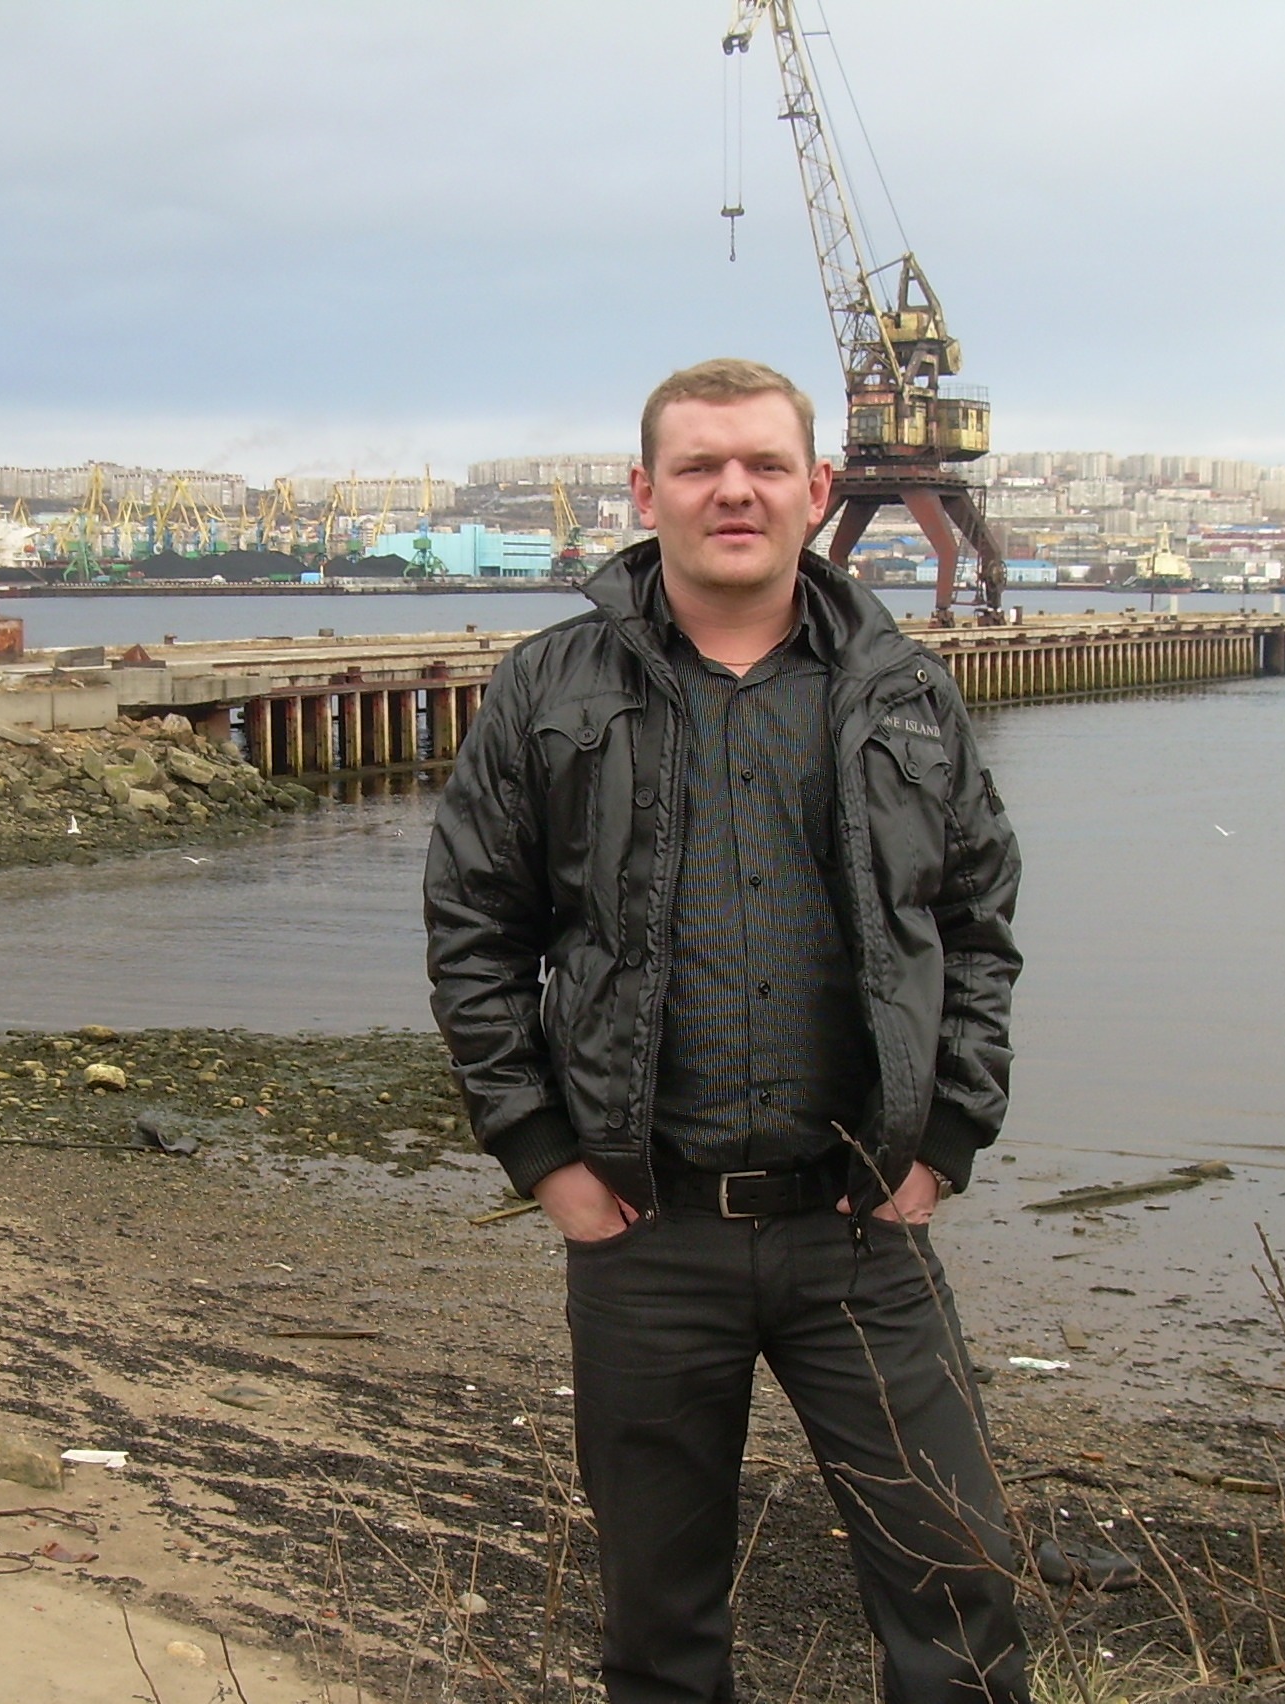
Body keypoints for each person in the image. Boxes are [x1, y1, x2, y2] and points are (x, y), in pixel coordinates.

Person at [424, 358, 1032, 1703]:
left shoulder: (905, 691)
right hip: (650, 1237)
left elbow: (975, 925)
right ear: (645, 494)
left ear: (819, 488)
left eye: (764, 464)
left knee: (960, 1595)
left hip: (860, 1229)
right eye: (699, 466)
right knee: (661, 1630)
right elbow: (476, 934)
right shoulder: (548, 688)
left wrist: (944, 1137)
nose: (733, 491)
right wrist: (544, 1157)